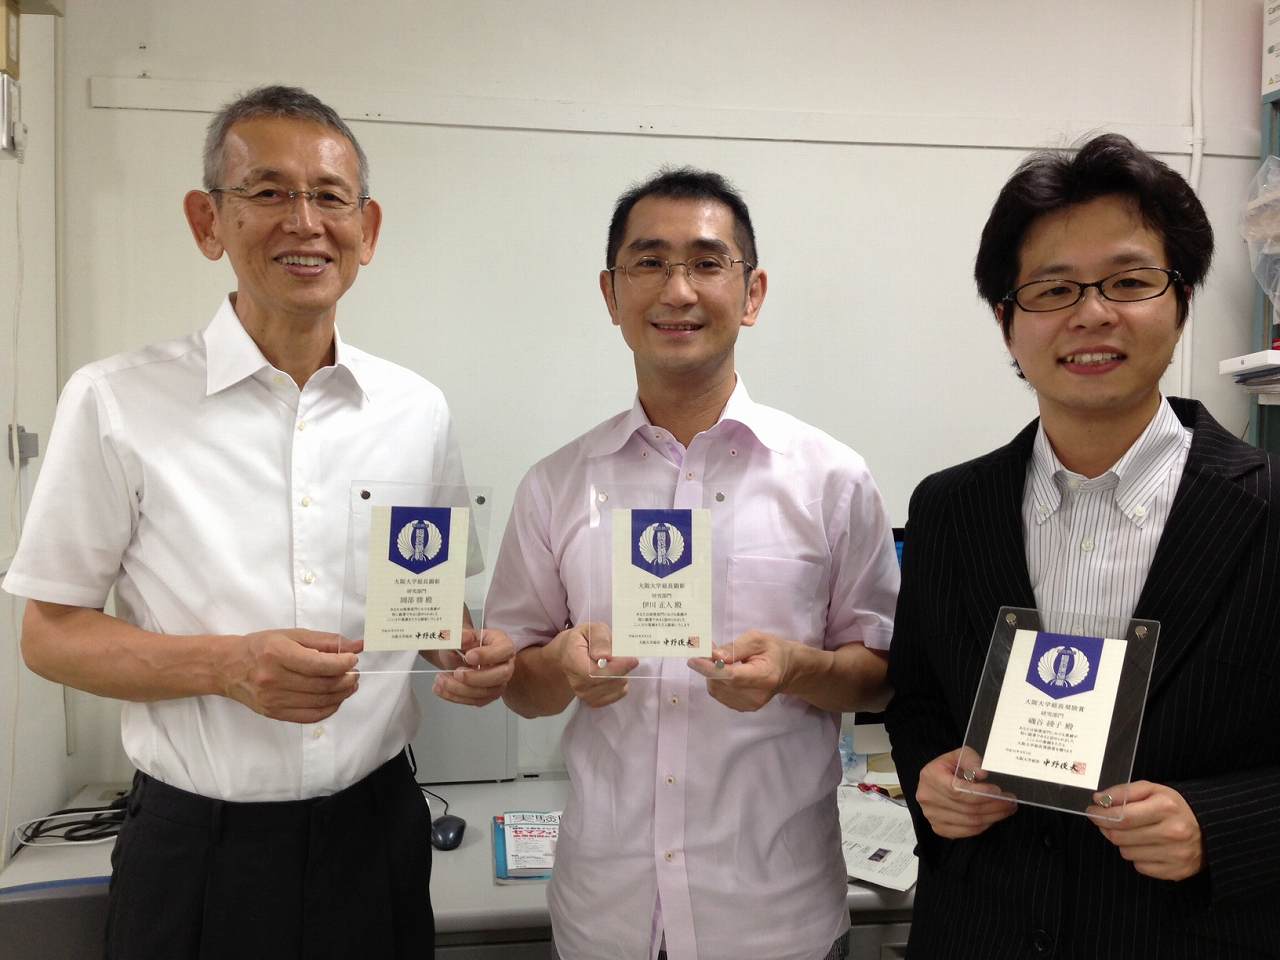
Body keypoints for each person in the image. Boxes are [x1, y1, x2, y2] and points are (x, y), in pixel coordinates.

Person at [2, 85, 514, 959]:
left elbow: (421, 602)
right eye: (269, 191)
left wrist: (464, 651)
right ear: (208, 221)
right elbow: (48, 637)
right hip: (199, 852)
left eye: (329, 196)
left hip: (377, 834)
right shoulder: (116, 401)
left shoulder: (416, 409)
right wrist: (228, 665)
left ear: (367, 229)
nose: (304, 221)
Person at [486, 168, 900, 960]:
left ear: (752, 293)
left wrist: (797, 668)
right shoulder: (556, 484)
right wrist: (562, 668)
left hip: (776, 919)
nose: (678, 290)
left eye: (708, 263)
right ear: (611, 294)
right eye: (649, 262)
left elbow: (880, 676)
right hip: (606, 917)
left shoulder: (831, 479)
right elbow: (521, 688)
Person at [885, 133, 1279, 958]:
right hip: (981, 934)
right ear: (1006, 321)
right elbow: (918, 703)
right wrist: (934, 782)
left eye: (1130, 282)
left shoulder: (1267, 509)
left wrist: (1219, 826)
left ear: (1181, 300)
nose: (1092, 313)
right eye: (1053, 288)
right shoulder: (949, 509)